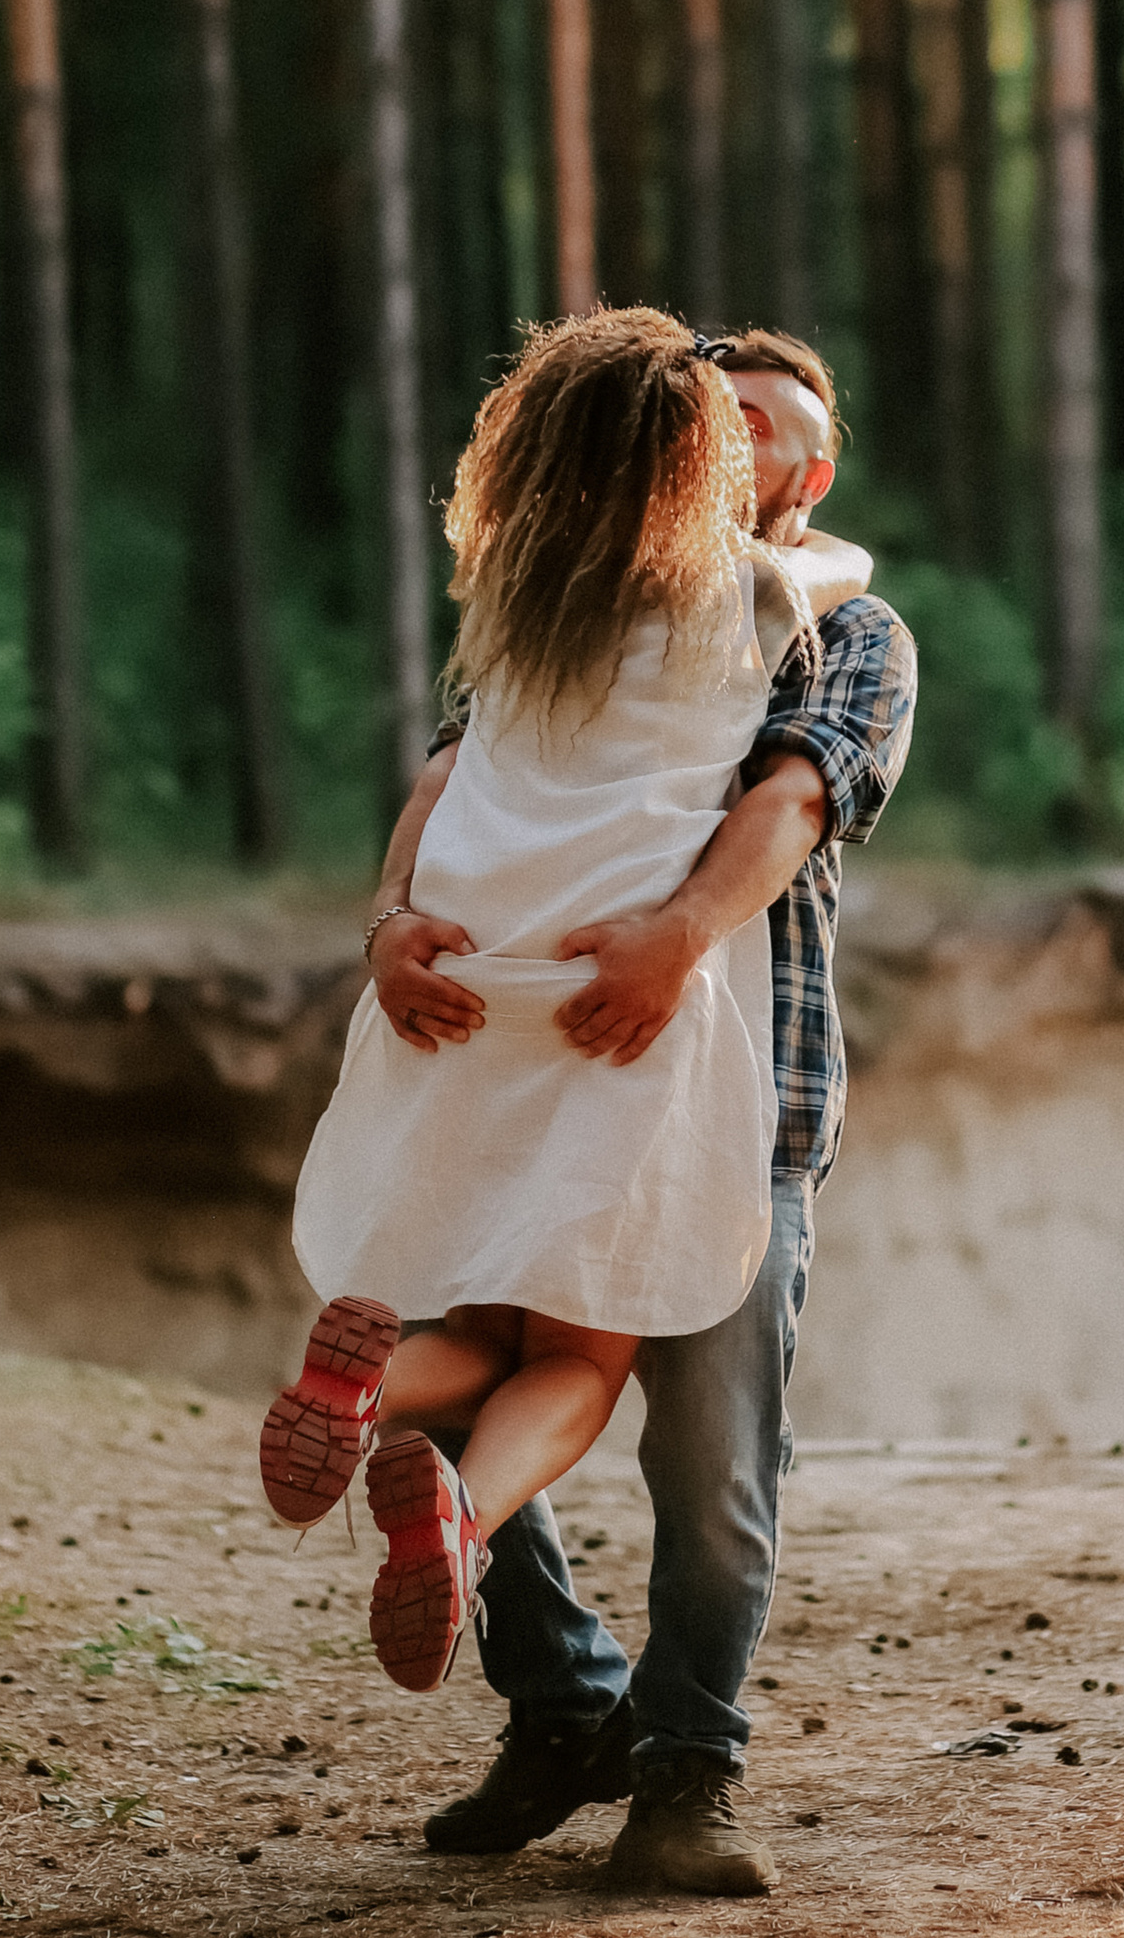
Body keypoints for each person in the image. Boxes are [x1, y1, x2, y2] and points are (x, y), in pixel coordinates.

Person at [263, 310, 879, 1700]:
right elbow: (833, 590)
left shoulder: (529, 598)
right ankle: (469, 1523)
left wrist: (402, 917)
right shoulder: (765, 596)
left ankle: (364, 1394)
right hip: (627, 1004)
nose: (747, 443)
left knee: (481, 1338)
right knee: (582, 1370)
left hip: (485, 979)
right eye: (724, 423)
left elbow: (441, 779)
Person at [371, 326, 916, 1895]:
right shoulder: (569, 619)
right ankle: (562, 1702)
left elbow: (795, 796)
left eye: (765, 426)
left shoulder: (852, 628)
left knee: (712, 1465)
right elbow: (453, 779)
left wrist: (676, 942)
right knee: (460, 1387)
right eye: (709, 416)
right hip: (531, 1077)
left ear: (808, 477)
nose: (729, 438)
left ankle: (690, 1777)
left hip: (747, 1106)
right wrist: (392, 921)